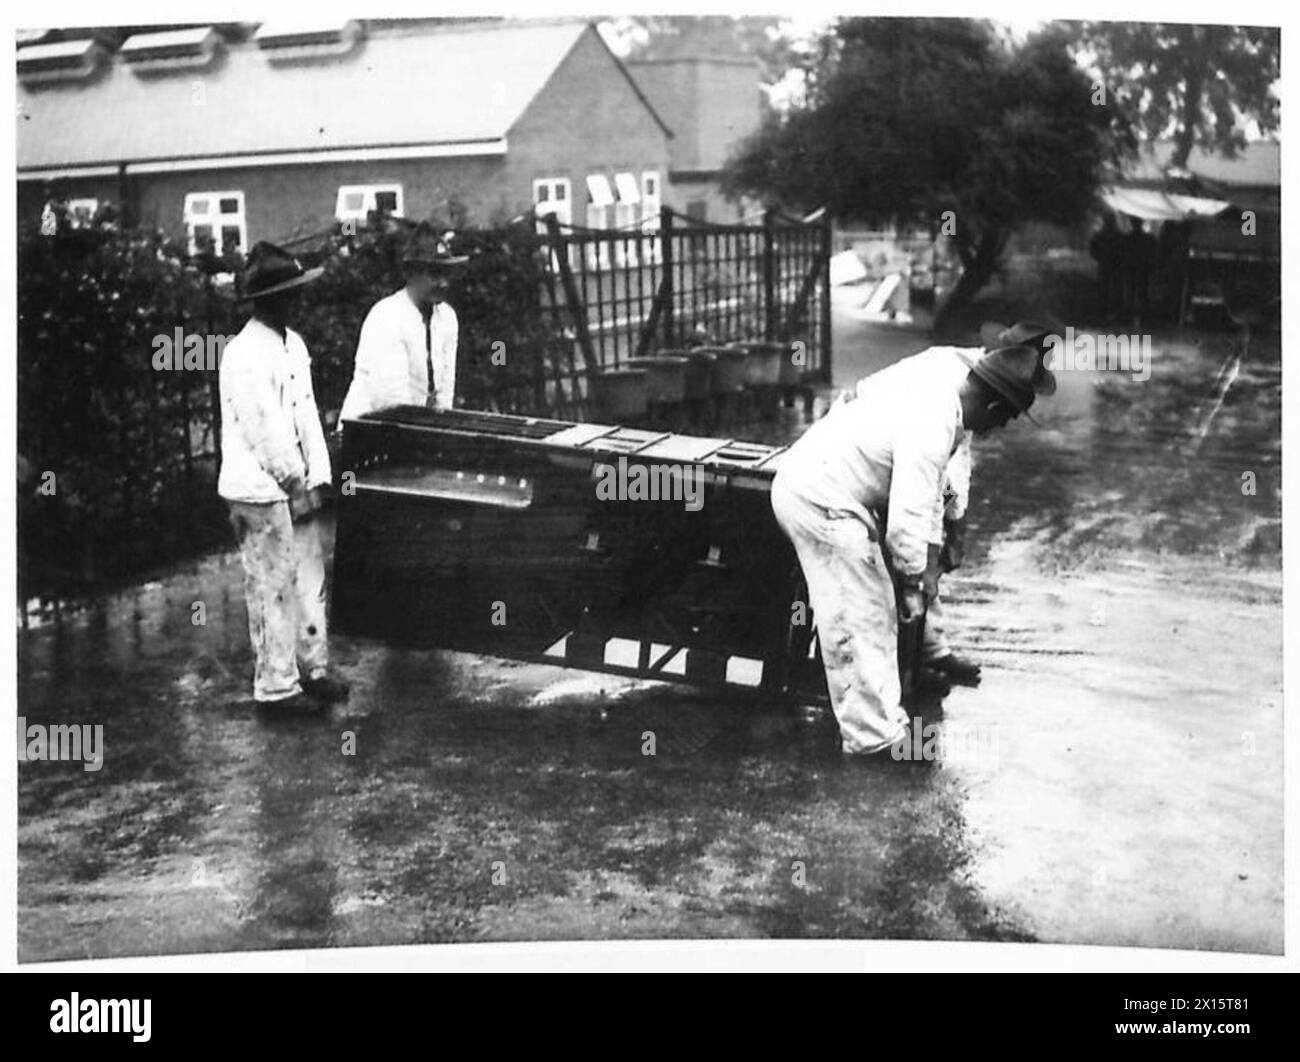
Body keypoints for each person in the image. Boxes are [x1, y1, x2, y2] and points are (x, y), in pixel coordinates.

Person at [771, 345, 1055, 757]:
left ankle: (884, 723)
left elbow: (934, 496)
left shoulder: (947, 409)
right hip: (819, 498)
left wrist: (926, 571)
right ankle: (873, 739)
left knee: (876, 609)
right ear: (992, 403)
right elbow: (908, 516)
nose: (995, 430)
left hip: (836, 494)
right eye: (1002, 419)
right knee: (859, 616)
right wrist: (912, 581)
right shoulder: (934, 419)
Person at [218, 242, 349, 713]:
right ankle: (276, 686)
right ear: (261, 300)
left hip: (298, 489)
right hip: (258, 491)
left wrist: (319, 474)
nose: (293, 302)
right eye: (284, 294)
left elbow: (306, 412)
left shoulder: (294, 345)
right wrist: (294, 481)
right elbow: (264, 430)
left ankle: (312, 669)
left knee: (308, 579)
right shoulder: (242, 354)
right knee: (272, 586)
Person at [339, 222, 467, 421]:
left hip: (415, 432)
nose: (444, 283)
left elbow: (445, 393)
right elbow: (392, 402)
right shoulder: (387, 317)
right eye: (434, 274)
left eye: (446, 273)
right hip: (369, 430)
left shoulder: (447, 318)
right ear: (411, 273)